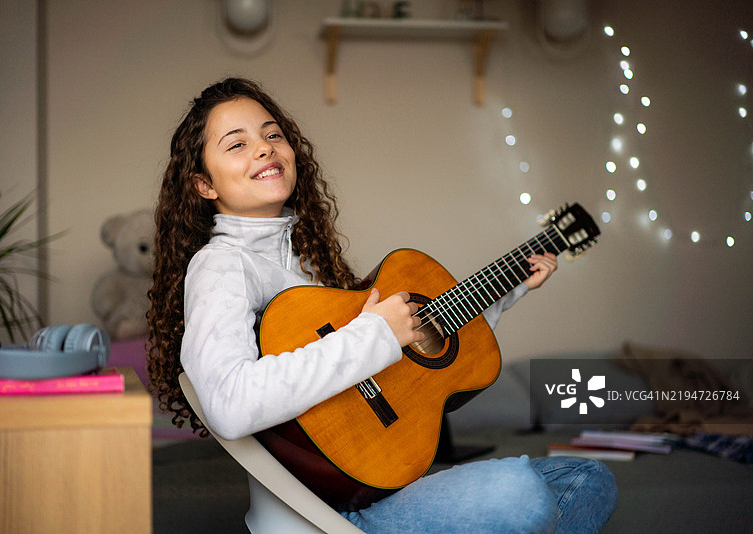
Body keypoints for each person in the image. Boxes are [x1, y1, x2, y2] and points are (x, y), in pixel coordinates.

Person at [147, 77, 617, 533]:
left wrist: (509, 288)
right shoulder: (223, 264)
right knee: (521, 492)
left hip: (372, 489)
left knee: (589, 479)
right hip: (323, 514)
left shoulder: (306, 263)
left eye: (273, 135)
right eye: (237, 144)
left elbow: (404, 364)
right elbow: (229, 403)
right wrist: (375, 333)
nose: (264, 148)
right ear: (204, 185)